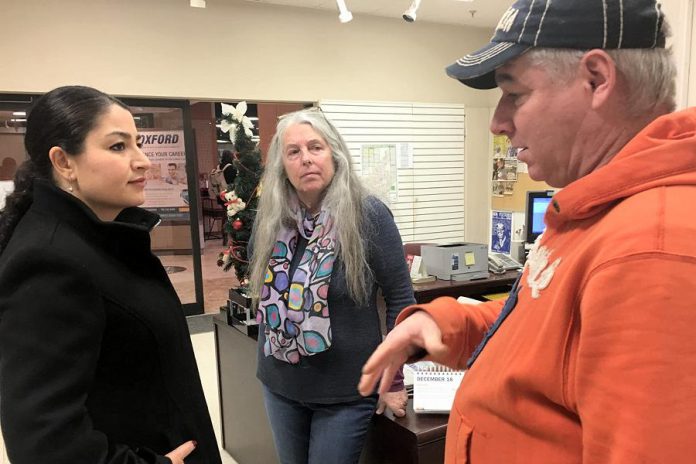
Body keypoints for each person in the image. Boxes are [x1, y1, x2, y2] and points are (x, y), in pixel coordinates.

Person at [359, 1, 696, 463]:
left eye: (514, 93)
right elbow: (544, 338)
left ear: (596, 79)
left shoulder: (649, 252)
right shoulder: (596, 212)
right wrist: (441, 323)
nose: (497, 122)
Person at [0, 86, 222, 464]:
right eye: (118, 147)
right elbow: (44, 442)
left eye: (137, 143)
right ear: (64, 162)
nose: (143, 161)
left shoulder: (97, 238)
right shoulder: (50, 261)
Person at [248, 108, 415, 464]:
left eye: (315, 147)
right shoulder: (272, 218)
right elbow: (266, 297)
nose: (306, 158)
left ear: (334, 154)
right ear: (282, 163)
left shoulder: (368, 215)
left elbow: (401, 298)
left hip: (347, 392)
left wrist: (394, 380)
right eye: (293, 151)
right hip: (280, 385)